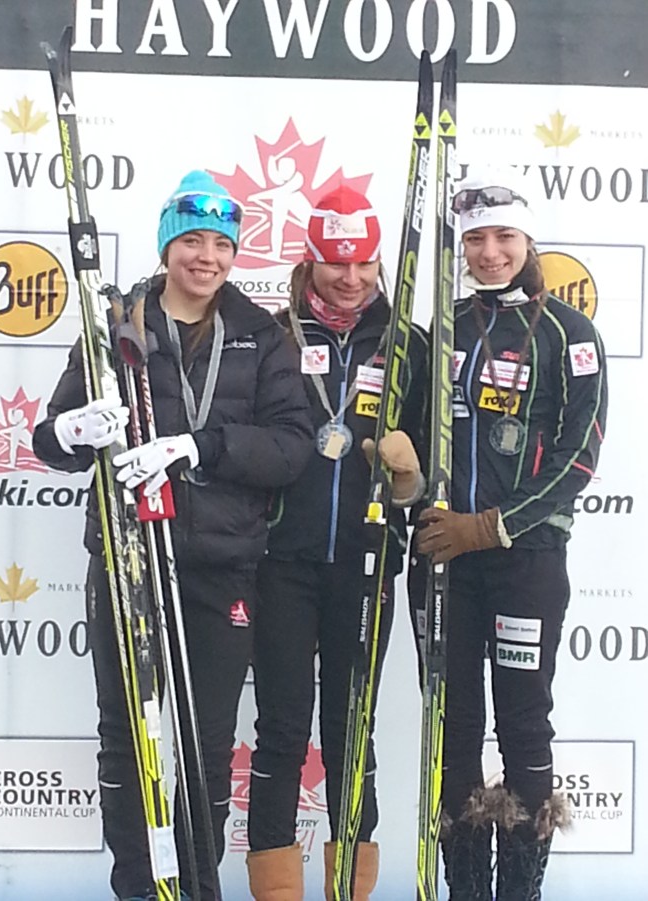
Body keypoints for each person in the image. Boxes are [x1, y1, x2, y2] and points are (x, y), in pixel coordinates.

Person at [32, 170, 314, 901]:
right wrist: (70, 428)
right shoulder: (118, 323)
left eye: (221, 243)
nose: (207, 257)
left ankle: (196, 885)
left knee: (204, 745)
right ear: (167, 245)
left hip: (221, 568)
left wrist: (201, 445)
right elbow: (52, 439)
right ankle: (138, 888)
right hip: (129, 565)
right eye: (191, 240)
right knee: (128, 741)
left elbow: (293, 445)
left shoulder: (259, 332)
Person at [409, 166, 608, 900]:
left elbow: (579, 455)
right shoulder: (448, 329)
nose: (490, 252)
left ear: (529, 240)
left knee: (524, 728)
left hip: (524, 561)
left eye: (505, 237)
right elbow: (412, 438)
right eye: (477, 239)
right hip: (443, 567)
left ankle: (521, 892)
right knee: (454, 730)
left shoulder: (568, 332)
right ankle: (464, 889)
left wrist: (487, 527)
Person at [245, 185, 428, 900]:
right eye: (334, 263)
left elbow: (428, 475)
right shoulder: (274, 335)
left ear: (380, 263)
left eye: (363, 265)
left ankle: (349, 889)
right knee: (283, 731)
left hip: (367, 562)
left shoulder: (406, 344)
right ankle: (278, 891)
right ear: (311, 259)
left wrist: (410, 475)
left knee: (353, 731)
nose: (349, 279)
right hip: (283, 563)